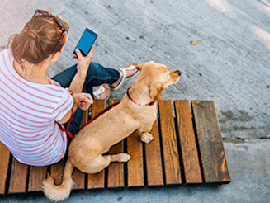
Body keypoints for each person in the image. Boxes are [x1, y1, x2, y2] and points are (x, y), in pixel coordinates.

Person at [0, 9, 138, 167]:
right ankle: (116, 77)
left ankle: (105, 84)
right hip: (49, 154)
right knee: (87, 72)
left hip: (19, 148)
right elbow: (66, 117)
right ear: (53, 56)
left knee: (83, 79)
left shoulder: (4, 57)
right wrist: (82, 70)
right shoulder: (55, 98)